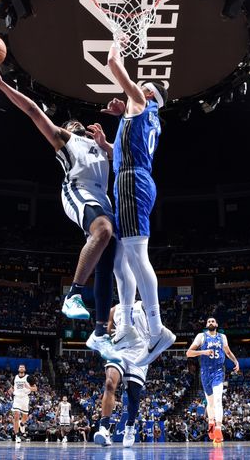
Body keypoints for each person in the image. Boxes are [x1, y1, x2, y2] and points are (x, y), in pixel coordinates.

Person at [0, 59, 119, 361]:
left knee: (109, 259)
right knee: (103, 230)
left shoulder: (100, 145)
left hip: (103, 197)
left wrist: (106, 144)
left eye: (76, 122)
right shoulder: (65, 139)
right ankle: (73, 295)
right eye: (70, 123)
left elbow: (125, 160)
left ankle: (99, 332)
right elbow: (32, 111)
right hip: (77, 190)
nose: (75, 123)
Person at [97, 41, 174, 366]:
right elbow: (125, 151)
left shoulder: (142, 102)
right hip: (130, 179)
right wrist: (106, 144)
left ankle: (156, 330)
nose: (136, 89)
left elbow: (114, 64)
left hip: (132, 182)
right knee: (119, 259)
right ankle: (127, 324)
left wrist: (118, 39)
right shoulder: (144, 113)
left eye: (142, 88)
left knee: (135, 255)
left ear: (151, 95)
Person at [93, 301, 151, 448]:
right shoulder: (114, 309)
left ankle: (130, 426)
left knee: (133, 395)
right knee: (109, 383)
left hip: (139, 352)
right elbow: (108, 331)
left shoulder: (144, 304)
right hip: (119, 349)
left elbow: (155, 328)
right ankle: (104, 428)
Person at [186, 317, 239, 445]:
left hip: (218, 371)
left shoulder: (222, 337)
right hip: (205, 372)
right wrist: (203, 352)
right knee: (210, 403)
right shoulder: (201, 336)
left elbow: (227, 351)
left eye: (213, 321)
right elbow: (189, 353)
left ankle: (218, 428)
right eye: (208, 321)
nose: (211, 323)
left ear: (216, 324)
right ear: (206, 325)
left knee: (217, 400)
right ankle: (211, 422)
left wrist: (235, 361)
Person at [10, 364, 37, 443]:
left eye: (23, 367)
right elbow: (12, 386)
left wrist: (29, 387)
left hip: (25, 398)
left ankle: (22, 424)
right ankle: (17, 435)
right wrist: (11, 390)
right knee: (16, 416)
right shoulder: (15, 377)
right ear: (18, 369)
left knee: (25, 417)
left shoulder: (29, 377)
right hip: (17, 398)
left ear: (24, 369)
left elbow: (35, 388)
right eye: (20, 367)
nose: (21, 368)